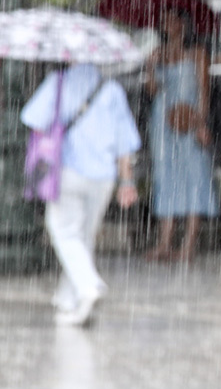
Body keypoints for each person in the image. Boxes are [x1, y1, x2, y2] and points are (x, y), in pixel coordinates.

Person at [21, 63, 141, 327]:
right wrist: (127, 181)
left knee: (63, 230)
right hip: (104, 177)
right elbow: (125, 142)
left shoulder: (58, 83)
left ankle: (88, 286)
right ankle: (70, 300)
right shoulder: (112, 89)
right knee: (83, 236)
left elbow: (33, 120)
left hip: (68, 171)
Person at [142, 8, 219, 262]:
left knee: (195, 174)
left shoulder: (198, 53)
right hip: (163, 119)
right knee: (165, 175)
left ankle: (188, 243)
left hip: (190, 118)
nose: (167, 25)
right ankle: (165, 242)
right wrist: (150, 67)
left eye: (172, 20)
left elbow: (204, 91)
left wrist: (202, 123)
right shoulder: (159, 54)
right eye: (164, 21)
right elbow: (152, 91)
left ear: (183, 24)